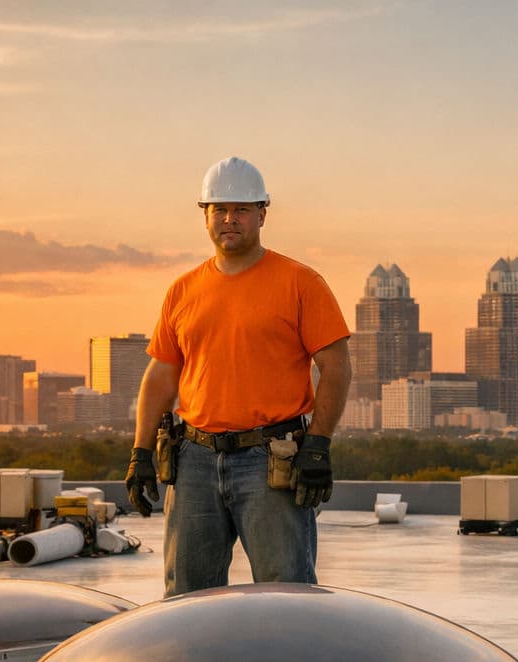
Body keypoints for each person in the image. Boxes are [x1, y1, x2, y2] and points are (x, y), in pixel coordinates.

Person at [124, 156, 352, 597]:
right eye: (220, 209)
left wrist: (319, 445)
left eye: (242, 209)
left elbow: (337, 367)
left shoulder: (300, 282)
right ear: (205, 215)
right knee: (186, 599)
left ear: (262, 214)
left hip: (270, 460)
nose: (230, 219)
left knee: (286, 596)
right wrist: (140, 452)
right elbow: (161, 376)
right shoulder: (183, 290)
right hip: (193, 461)